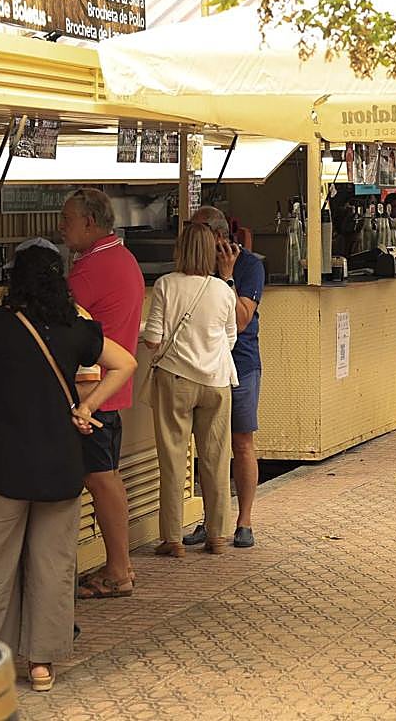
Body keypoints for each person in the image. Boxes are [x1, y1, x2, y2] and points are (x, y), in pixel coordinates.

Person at [0, 246, 136, 693]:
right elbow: (126, 363)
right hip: (59, 465)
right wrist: (88, 404)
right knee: (52, 566)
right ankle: (41, 665)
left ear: (15, 280)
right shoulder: (76, 328)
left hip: (0, 464)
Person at [58, 188, 144, 599]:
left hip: (92, 394)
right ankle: (120, 565)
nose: (62, 227)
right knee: (104, 477)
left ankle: (118, 568)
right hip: (109, 390)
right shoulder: (122, 257)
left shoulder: (90, 270)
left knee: (101, 478)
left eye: (68, 219)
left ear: (90, 222)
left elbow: (54, 319)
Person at [144, 223, 238, 556]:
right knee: (215, 460)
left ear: (180, 249)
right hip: (216, 381)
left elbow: (153, 337)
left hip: (176, 379)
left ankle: (173, 540)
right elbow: (230, 338)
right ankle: (217, 536)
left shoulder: (166, 285)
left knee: (172, 460)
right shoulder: (224, 290)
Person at [184, 206, 264, 549]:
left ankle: (243, 521)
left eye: (199, 233)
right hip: (201, 364)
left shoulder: (250, 266)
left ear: (218, 236)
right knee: (207, 447)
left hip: (240, 364)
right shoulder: (194, 266)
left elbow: (243, 319)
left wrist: (228, 276)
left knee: (241, 442)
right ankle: (210, 518)